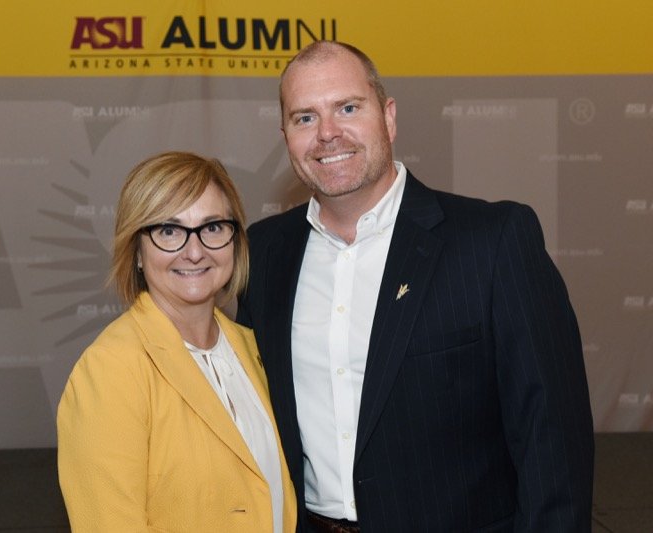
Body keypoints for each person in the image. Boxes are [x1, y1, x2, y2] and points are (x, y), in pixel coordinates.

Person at [237, 41, 594, 532]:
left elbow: (553, 441)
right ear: (286, 136)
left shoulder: (492, 242)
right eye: (304, 118)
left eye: (347, 108)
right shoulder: (265, 253)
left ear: (388, 117)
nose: (327, 133)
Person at [58, 151, 297, 532]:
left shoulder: (252, 348)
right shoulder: (111, 369)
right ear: (136, 251)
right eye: (169, 231)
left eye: (213, 227)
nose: (195, 250)